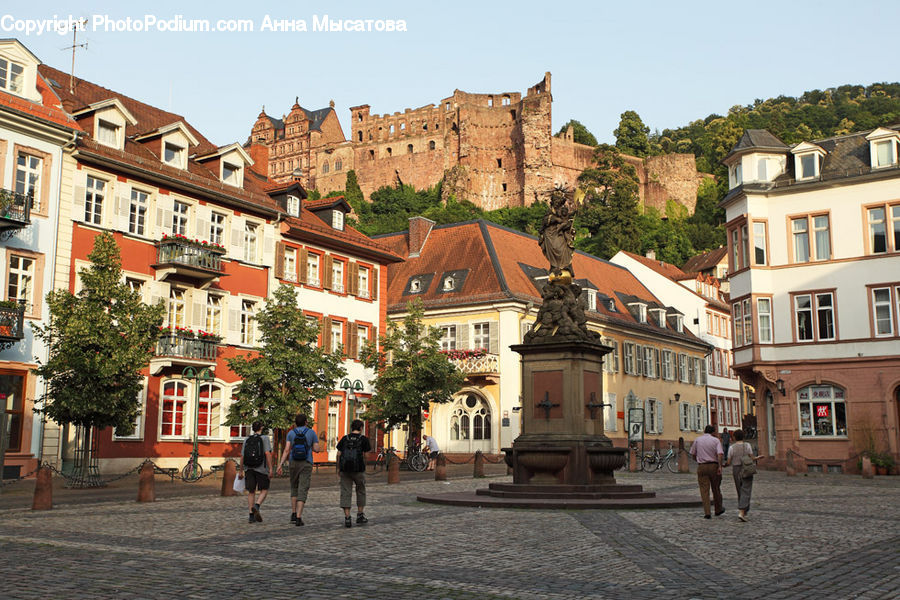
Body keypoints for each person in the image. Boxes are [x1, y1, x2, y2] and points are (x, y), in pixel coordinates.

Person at [276, 414, 321, 526]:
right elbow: (316, 449)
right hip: (306, 463)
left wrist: (280, 464)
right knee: (303, 488)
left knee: (294, 487)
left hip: (293, 462)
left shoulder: (291, 433)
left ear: (295, 423)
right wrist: (315, 446)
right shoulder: (311, 433)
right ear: (306, 422)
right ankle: (299, 517)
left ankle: (293, 513)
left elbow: (287, 450)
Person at [336, 419, 371, 527]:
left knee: (346, 491)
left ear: (351, 428)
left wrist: (338, 468)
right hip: (359, 469)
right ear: (361, 428)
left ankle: (347, 517)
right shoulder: (364, 439)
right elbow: (366, 456)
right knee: (360, 490)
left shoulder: (345, 438)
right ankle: (360, 514)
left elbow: (338, 454)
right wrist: (364, 464)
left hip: (345, 470)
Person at [724, 429, 762, 522]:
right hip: (747, 468)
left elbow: (728, 462)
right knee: (747, 489)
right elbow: (752, 457)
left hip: (736, 469)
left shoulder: (732, 448)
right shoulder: (747, 445)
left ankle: (743, 510)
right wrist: (758, 457)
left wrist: (724, 465)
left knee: (739, 490)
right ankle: (742, 511)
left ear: (734, 437)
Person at [239, 421, 273, 523]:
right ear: (261, 427)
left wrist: (240, 470)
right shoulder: (265, 438)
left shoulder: (247, 439)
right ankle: (257, 506)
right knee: (264, 489)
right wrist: (270, 468)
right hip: (261, 468)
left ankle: (251, 515)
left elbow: (242, 456)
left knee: (251, 491)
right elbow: (267, 453)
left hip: (249, 468)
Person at [689, 424, 725, 519]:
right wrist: (720, 466)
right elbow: (720, 454)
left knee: (704, 490)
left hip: (702, 466)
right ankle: (718, 509)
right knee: (716, 488)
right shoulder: (716, 440)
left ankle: (707, 512)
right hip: (713, 465)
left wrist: (698, 460)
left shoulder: (697, 440)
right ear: (713, 432)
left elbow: (693, 453)